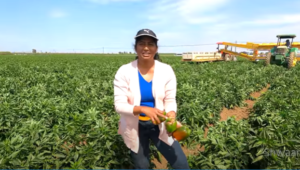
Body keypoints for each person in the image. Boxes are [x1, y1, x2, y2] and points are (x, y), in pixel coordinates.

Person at [113, 28, 190, 169]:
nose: (146, 48)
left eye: (150, 44)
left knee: (181, 165)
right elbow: (119, 105)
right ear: (135, 47)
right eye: (142, 43)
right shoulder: (124, 71)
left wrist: (171, 114)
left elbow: (170, 100)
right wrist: (143, 109)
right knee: (142, 166)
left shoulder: (166, 70)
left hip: (160, 124)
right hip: (135, 127)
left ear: (156, 48)